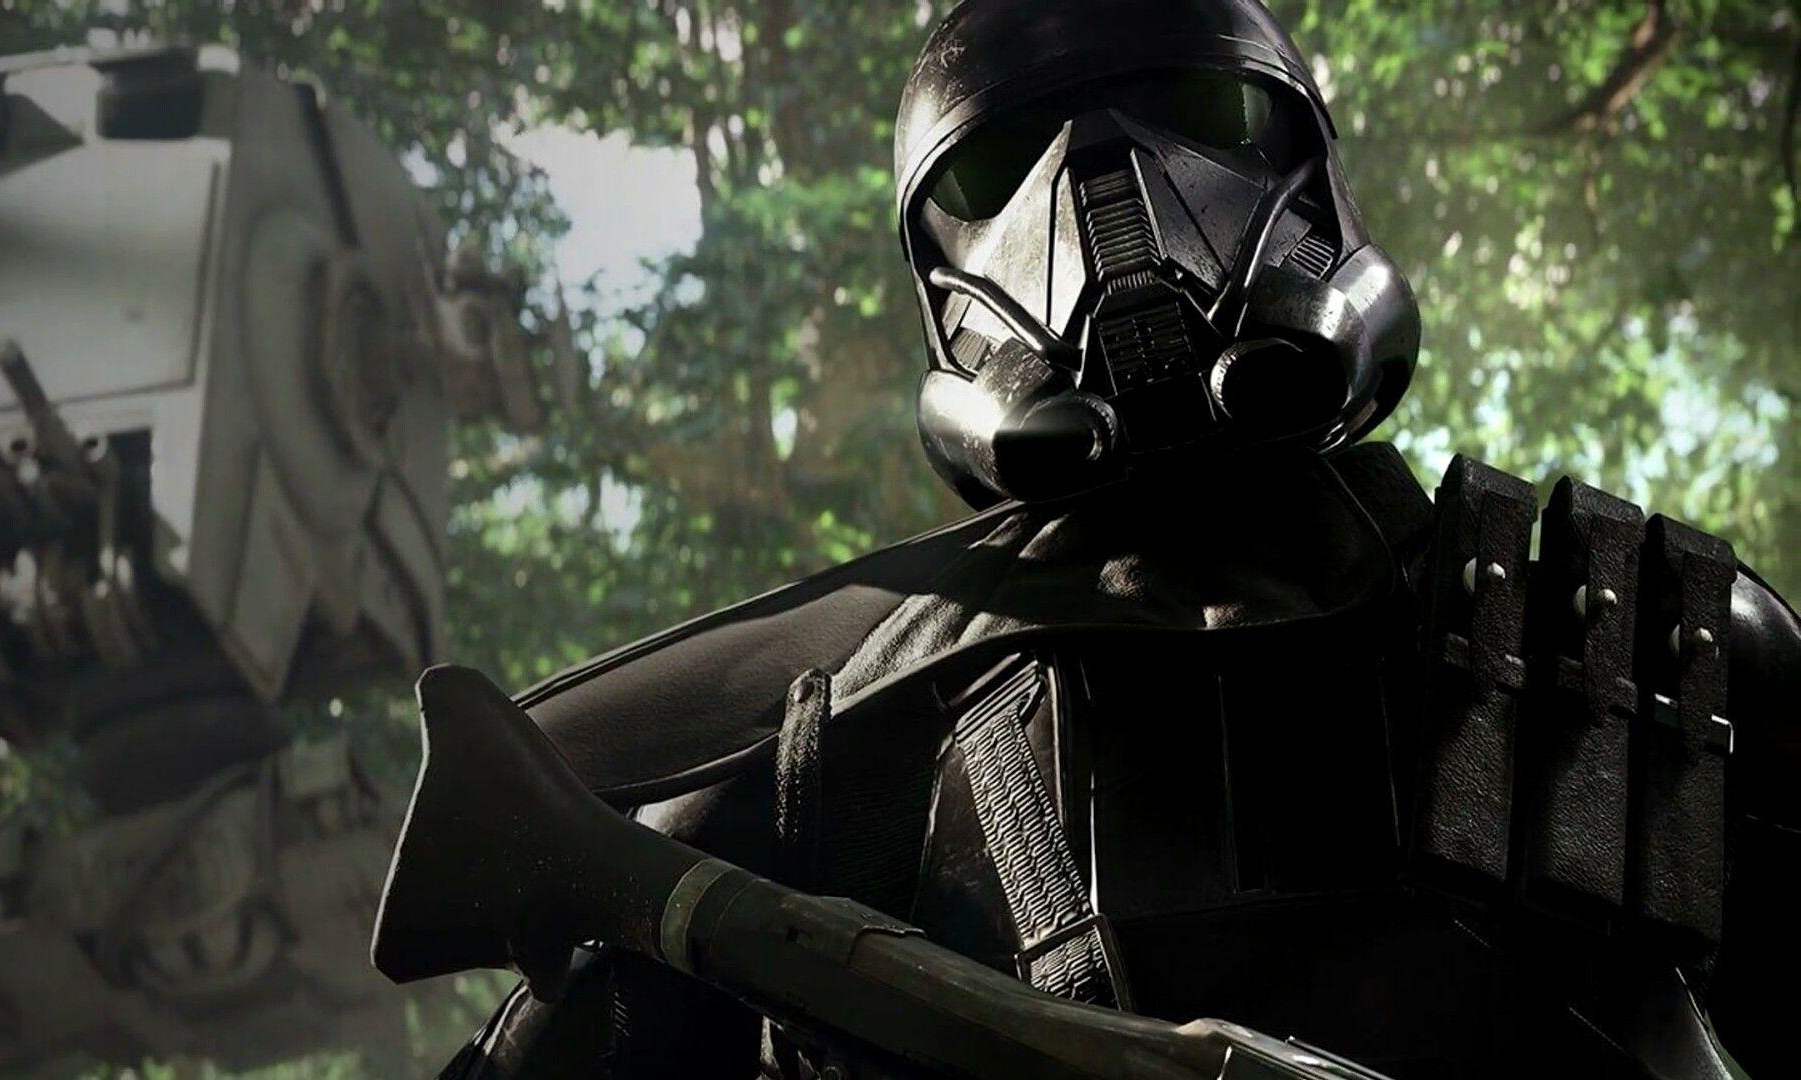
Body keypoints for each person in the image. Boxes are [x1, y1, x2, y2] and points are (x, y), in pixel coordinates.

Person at [417, 2, 1800, 1075]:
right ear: (941, 292)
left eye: (1197, 114)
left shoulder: (1645, 661)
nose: (1107, 195)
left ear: (1315, 178)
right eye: (1006, 164)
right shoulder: (823, 776)